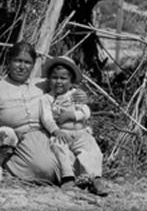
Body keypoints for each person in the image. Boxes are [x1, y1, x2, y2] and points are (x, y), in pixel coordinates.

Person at [0, 41, 87, 185]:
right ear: (9, 61)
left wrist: (80, 95)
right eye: (18, 61)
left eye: (27, 62)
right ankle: (5, 163)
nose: (22, 67)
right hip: (17, 139)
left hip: (47, 135)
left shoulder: (42, 84)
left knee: (75, 158)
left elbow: (65, 86)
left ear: (34, 64)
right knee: (47, 168)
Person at [40, 56, 108, 196]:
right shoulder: (46, 99)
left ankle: (95, 179)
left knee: (92, 151)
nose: (59, 82)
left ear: (71, 81)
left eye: (63, 78)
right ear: (49, 79)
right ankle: (68, 177)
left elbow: (86, 111)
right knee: (59, 148)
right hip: (62, 132)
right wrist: (56, 131)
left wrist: (72, 115)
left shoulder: (75, 95)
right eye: (54, 77)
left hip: (80, 132)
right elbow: (46, 118)